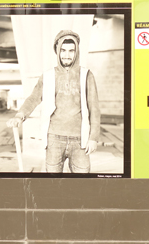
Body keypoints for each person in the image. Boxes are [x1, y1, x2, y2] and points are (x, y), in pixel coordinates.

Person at [6, 29, 100, 173]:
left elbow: (95, 109)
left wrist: (93, 137)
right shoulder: (48, 76)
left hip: (80, 140)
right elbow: (33, 98)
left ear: (77, 52)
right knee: (52, 184)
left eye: (71, 51)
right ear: (57, 51)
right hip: (54, 139)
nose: (67, 55)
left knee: (82, 185)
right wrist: (20, 115)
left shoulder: (86, 75)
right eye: (63, 50)